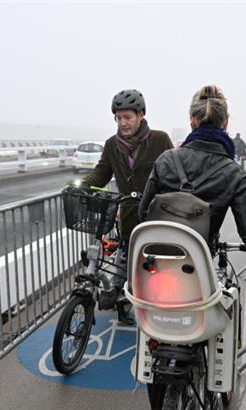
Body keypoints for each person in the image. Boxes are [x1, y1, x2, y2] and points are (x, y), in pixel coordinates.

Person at [138, 85, 246, 410]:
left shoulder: (167, 160)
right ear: (226, 123)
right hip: (199, 272)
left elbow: (143, 215)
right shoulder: (232, 172)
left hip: (155, 273)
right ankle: (214, 383)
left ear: (192, 121)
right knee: (217, 315)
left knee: (156, 335)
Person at [82, 89, 174, 320]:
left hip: (156, 216)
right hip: (129, 216)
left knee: (154, 267)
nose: (123, 123)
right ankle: (125, 299)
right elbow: (100, 174)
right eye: (119, 118)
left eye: (128, 117)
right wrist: (82, 186)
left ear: (141, 115)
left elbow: (174, 174)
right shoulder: (112, 145)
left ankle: (155, 307)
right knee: (128, 259)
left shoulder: (160, 140)